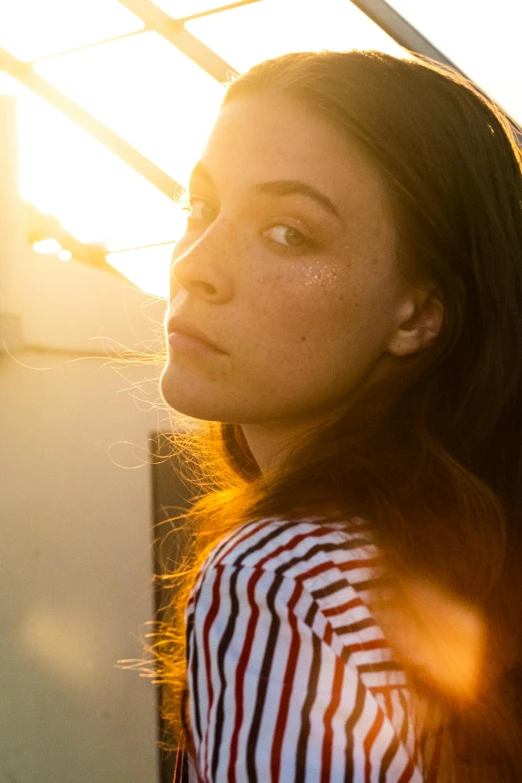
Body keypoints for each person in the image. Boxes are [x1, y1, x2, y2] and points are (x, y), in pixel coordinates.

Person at [154, 49, 522, 781]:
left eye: (289, 232)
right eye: (201, 207)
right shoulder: (463, 568)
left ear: (419, 313)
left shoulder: (280, 580)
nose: (196, 262)